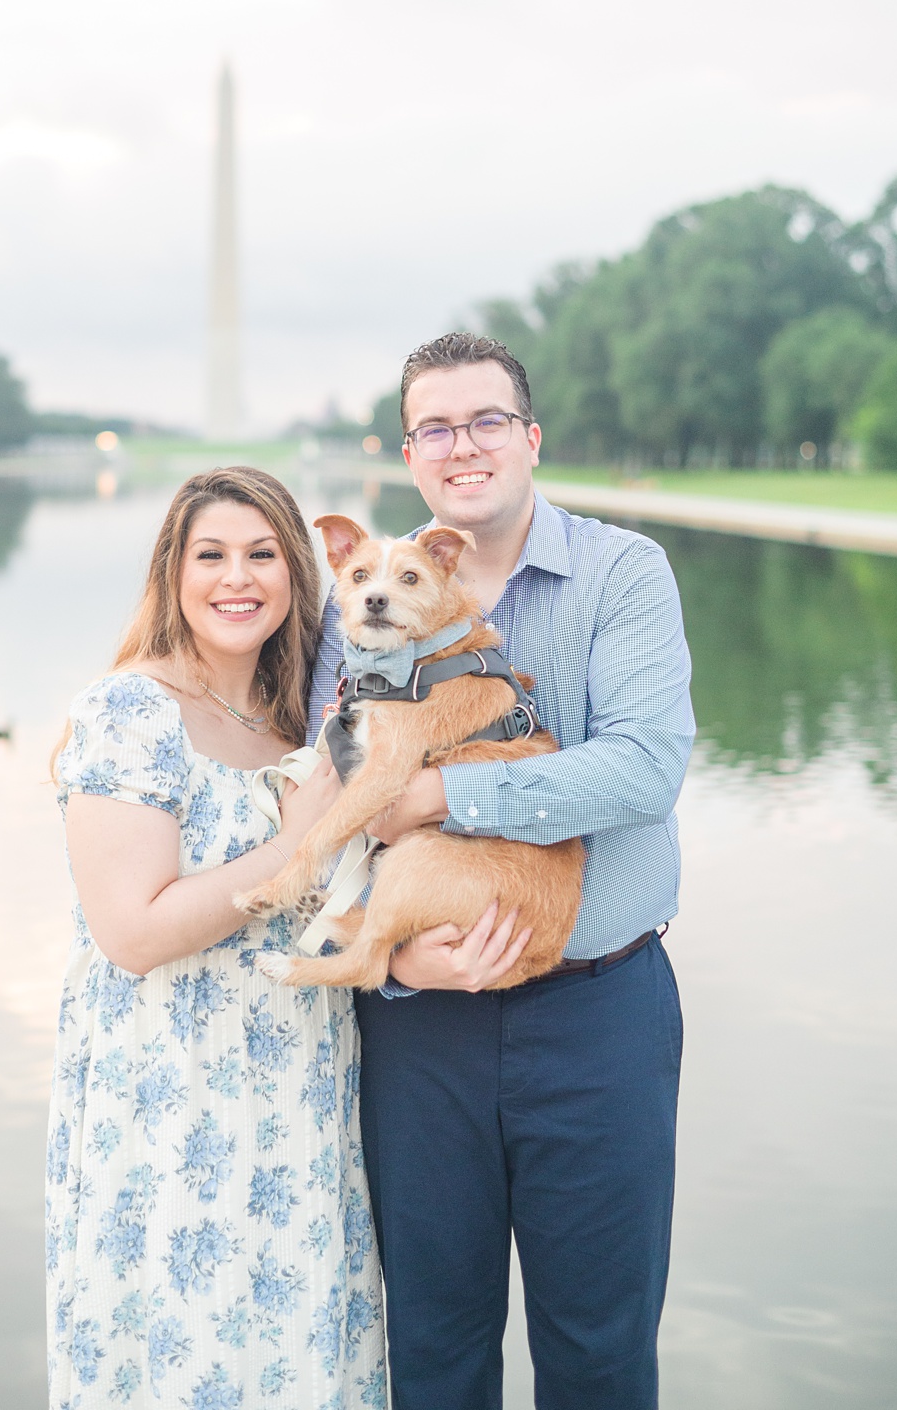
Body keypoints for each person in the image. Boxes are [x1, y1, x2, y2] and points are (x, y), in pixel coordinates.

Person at [323, 332, 694, 1410]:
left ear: (530, 438)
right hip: (421, 1025)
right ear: (410, 454)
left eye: (487, 419)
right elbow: (324, 797)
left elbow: (641, 770)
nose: (464, 443)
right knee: (432, 1350)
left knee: (598, 1351)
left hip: (598, 1011)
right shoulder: (363, 600)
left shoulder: (623, 573)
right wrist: (396, 964)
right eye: (436, 427)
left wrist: (443, 796)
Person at [47, 466, 385, 1408]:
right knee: (188, 1358)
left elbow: (346, 899)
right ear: (174, 571)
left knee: (298, 1358)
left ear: (295, 576)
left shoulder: (296, 722)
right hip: (172, 1102)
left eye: (262, 555)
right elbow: (134, 932)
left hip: (302, 1097)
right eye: (212, 555)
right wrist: (294, 842)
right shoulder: (128, 714)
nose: (237, 578)